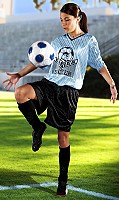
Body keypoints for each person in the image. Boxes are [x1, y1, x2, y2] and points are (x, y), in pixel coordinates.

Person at [2, 3, 118, 197]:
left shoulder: (89, 41)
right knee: (21, 92)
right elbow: (38, 61)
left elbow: (99, 64)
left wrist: (112, 84)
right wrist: (18, 74)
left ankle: (62, 182)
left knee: (62, 138)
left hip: (68, 92)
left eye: (67, 19)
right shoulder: (57, 41)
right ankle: (38, 127)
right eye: (61, 20)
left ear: (78, 18)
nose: (64, 23)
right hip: (49, 84)